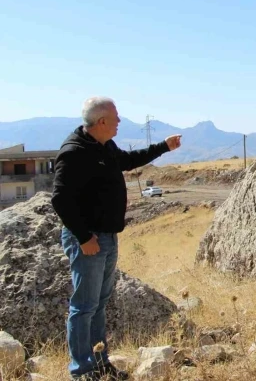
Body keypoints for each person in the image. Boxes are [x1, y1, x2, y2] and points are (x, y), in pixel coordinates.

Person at [52, 97, 181, 380]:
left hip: (107, 238)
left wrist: (163, 147)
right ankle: (81, 370)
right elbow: (60, 199)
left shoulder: (104, 145)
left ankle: (100, 363)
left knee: (98, 303)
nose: (120, 122)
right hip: (88, 240)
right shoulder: (74, 152)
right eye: (116, 118)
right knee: (84, 306)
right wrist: (85, 238)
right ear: (101, 122)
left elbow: (127, 160)